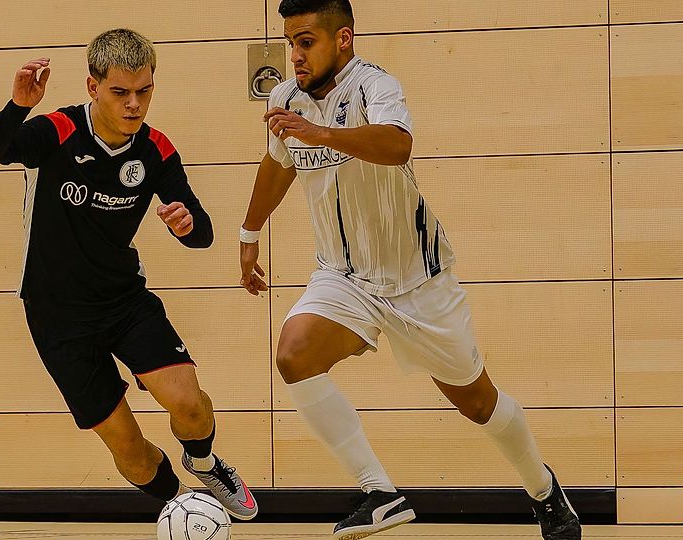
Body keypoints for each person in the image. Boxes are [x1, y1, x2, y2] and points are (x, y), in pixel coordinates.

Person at [237, 1, 580, 538]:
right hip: (344, 276)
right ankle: (379, 494)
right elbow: (278, 164)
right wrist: (249, 234)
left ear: (343, 38)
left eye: (306, 42)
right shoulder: (285, 99)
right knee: (294, 354)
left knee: (478, 403)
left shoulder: (376, 85)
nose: (295, 56)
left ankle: (543, 489)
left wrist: (319, 133)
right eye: (290, 44)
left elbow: (397, 145)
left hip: (418, 281)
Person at [0, 28, 257, 521]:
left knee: (189, 405)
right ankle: (184, 508)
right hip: (57, 315)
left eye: (144, 91)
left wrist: (186, 224)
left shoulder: (155, 149)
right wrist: (19, 106)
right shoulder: (58, 130)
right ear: (93, 87)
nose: (134, 104)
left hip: (125, 301)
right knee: (130, 450)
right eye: (120, 92)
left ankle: (205, 463)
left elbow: (203, 233)